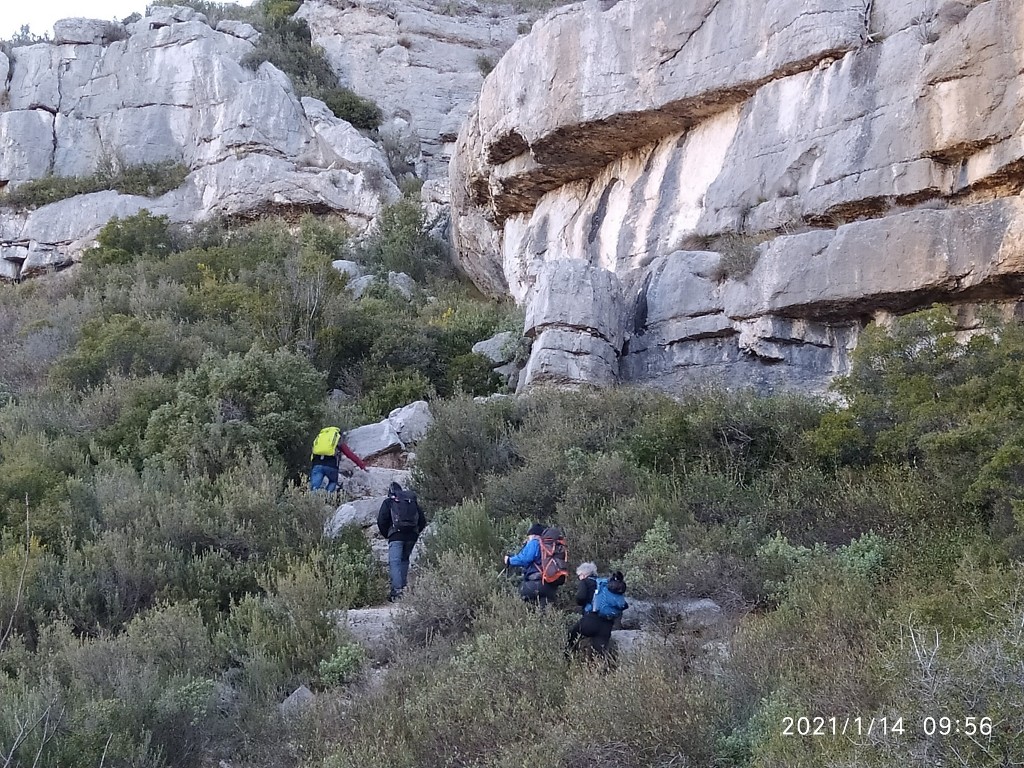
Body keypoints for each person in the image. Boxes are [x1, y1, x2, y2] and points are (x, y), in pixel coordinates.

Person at [377, 481, 427, 601]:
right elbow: (423, 520)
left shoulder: (389, 502)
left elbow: (381, 520)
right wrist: (415, 532)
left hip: (396, 535)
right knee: (404, 560)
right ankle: (403, 589)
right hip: (412, 536)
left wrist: (388, 534)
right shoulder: (411, 501)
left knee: (395, 562)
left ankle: (397, 591)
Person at [566, 566, 628, 659]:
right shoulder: (605, 583)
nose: (579, 578)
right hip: (607, 624)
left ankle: (568, 662)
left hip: (591, 621)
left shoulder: (585, 581)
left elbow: (580, 597)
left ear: (584, 574)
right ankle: (600, 672)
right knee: (600, 654)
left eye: (579, 575)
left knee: (571, 636)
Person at [504, 522, 559, 609]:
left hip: (536, 583)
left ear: (533, 535)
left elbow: (526, 558)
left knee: (517, 598)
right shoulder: (551, 546)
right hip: (551, 586)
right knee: (545, 613)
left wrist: (510, 560)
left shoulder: (534, 542)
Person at [310, 426, 368, 493]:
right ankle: (326, 498)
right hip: (331, 465)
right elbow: (349, 454)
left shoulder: (320, 437)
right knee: (333, 482)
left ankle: (313, 500)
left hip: (317, 464)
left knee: (314, 487)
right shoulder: (336, 438)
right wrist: (361, 465)